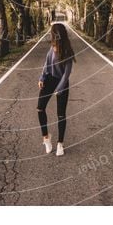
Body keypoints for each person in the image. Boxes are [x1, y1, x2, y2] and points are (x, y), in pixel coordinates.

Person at [37, 23, 76, 156]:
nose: (50, 35)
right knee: (40, 108)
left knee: (61, 114)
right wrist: (42, 78)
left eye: (52, 32)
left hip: (62, 82)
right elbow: (46, 65)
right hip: (50, 80)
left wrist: (59, 88)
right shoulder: (51, 48)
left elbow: (67, 73)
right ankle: (46, 138)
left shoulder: (67, 51)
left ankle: (60, 144)